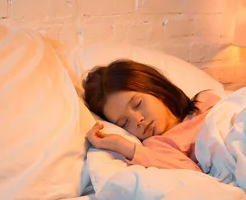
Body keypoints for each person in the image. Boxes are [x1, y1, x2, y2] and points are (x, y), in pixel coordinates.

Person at [83, 59, 221, 172]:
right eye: (124, 122)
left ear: (157, 89)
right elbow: (191, 174)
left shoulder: (205, 100)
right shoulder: (157, 145)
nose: (138, 120)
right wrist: (123, 146)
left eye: (138, 104)